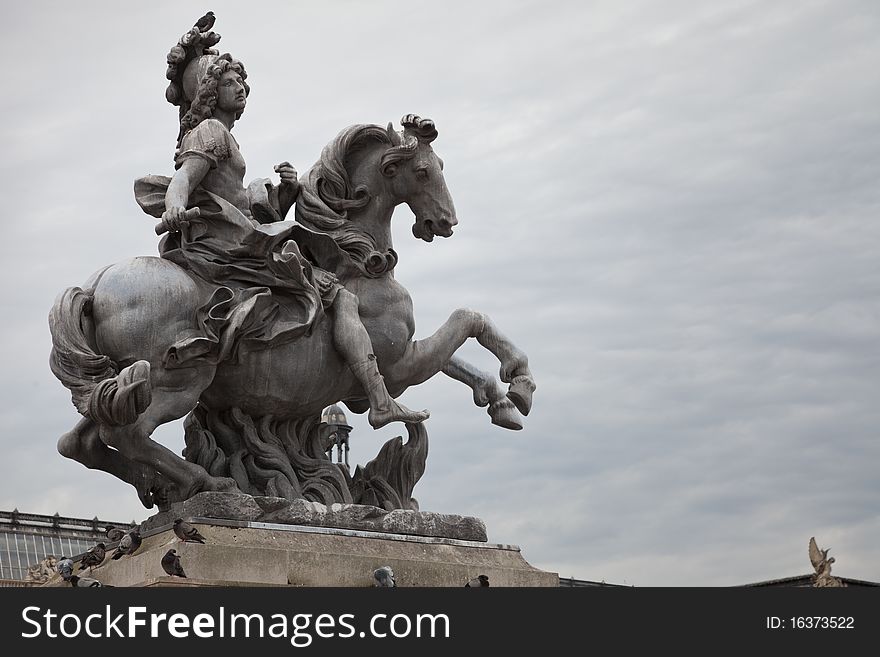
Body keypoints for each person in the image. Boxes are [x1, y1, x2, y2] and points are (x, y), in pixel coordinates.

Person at [135, 32, 427, 430]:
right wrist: (174, 207)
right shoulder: (211, 133)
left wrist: (286, 194)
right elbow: (183, 178)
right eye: (228, 83)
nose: (240, 88)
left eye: (240, 81)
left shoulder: (225, 137)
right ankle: (379, 399)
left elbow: (239, 203)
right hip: (229, 245)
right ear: (209, 93)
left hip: (241, 235)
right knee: (339, 296)